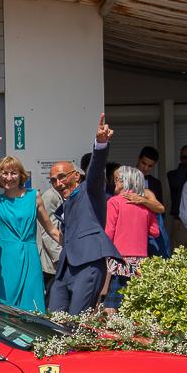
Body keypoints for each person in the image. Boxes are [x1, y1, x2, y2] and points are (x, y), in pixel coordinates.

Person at [47, 115, 122, 314]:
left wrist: (101, 144)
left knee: (76, 321)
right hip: (65, 270)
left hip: (88, 263)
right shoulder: (65, 202)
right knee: (54, 319)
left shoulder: (90, 191)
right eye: (53, 180)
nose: (58, 183)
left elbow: (96, 170)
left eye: (61, 177)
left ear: (77, 176)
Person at [0, 156, 60, 312]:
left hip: (30, 258)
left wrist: (72, 246)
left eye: (14, 173)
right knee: (4, 307)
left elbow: (51, 229)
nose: (9, 177)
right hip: (5, 261)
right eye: (4, 173)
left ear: (21, 176)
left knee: (32, 305)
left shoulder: (34, 196)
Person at [103, 165, 160, 309]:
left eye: (117, 180)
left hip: (119, 258)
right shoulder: (145, 205)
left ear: (125, 181)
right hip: (140, 260)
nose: (115, 183)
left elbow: (109, 232)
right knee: (135, 302)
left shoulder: (114, 202)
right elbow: (155, 231)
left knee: (113, 303)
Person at [167, 144, 187, 247]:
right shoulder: (172, 174)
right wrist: (185, 167)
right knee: (179, 258)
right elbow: (177, 183)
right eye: (185, 157)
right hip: (181, 223)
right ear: (180, 159)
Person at [37, 173, 64, 293]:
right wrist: (59, 258)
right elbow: (47, 230)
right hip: (52, 261)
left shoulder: (61, 195)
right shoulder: (50, 196)